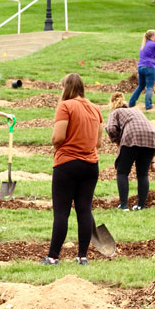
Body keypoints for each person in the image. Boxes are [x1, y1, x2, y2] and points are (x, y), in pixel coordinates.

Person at [43, 74, 103, 266]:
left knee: (61, 212)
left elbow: (58, 137)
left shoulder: (65, 106)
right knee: (84, 209)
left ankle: (53, 257)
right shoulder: (95, 109)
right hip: (91, 165)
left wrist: (55, 144)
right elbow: (98, 142)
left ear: (66, 87)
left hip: (67, 164)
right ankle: (82, 256)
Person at [106, 92, 155, 211]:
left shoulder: (116, 112)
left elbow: (110, 128)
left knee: (122, 172)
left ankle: (124, 205)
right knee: (143, 174)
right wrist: (152, 161)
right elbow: (145, 129)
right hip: (151, 138)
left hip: (132, 137)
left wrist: (118, 141)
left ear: (112, 105)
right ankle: (141, 206)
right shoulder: (137, 111)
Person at [128, 30, 155, 110]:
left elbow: (151, 55)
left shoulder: (143, 45)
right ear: (153, 36)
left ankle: (131, 103)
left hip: (141, 67)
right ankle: (148, 105)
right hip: (149, 67)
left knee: (141, 86)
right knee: (150, 87)